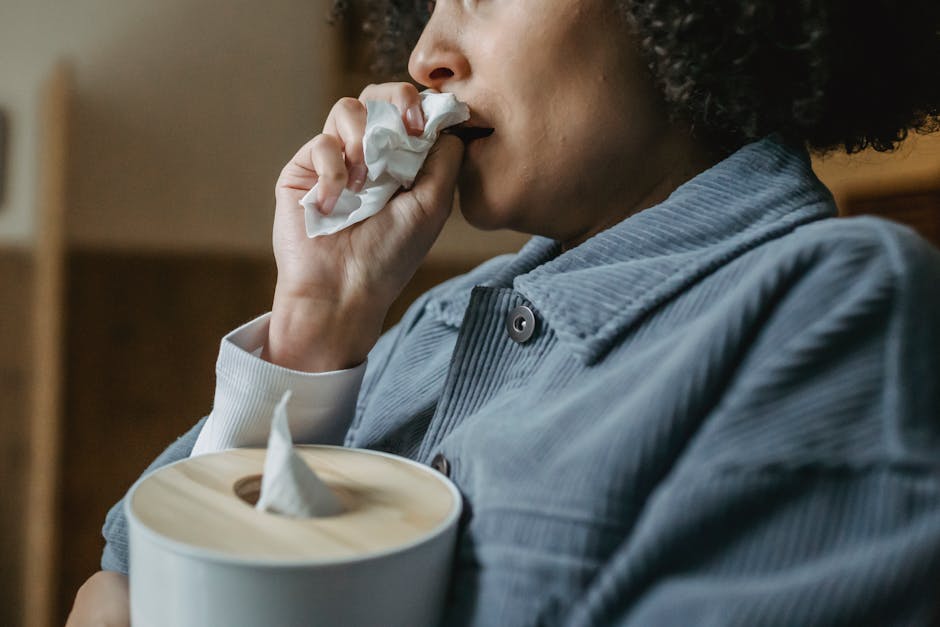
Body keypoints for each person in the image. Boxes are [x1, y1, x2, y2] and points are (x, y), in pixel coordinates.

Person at [68, 0, 940, 624]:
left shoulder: (836, 311)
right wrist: (315, 319)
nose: (426, 54)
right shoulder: (429, 323)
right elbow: (122, 578)